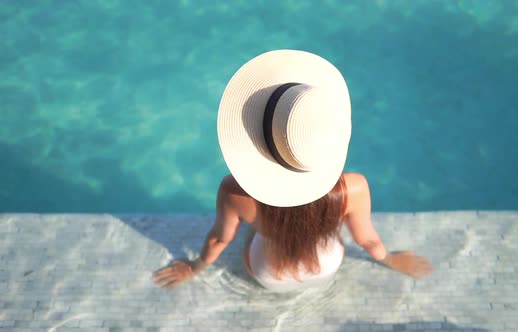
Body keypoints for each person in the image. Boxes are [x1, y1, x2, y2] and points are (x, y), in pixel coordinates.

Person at [153, 50, 433, 292]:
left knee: (251, 232)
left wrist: (194, 268)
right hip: (326, 266)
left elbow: (218, 239)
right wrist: (392, 260)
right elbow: (367, 239)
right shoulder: (355, 188)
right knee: (308, 223)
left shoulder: (235, 192)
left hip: (268, 274)